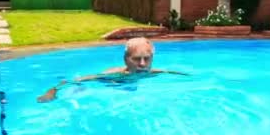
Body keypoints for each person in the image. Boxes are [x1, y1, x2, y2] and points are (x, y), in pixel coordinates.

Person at [37, 37, 186, 103]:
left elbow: (171, 73)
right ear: (126, 60)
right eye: (136, 59)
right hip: (111, 84)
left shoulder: (153, 73)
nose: (142, 64)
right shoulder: (114, 74)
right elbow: (76, 80)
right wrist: (52, 91)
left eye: (147, 59)